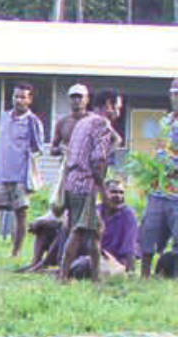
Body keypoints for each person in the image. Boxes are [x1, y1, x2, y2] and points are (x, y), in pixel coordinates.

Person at [0, 82, 45, 258]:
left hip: (21, 177)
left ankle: (16, 253)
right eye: (16, 96)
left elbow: (38, 148)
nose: (18, 100)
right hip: (3, 176)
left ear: (29, 100)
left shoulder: (32, 121)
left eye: (23, 97)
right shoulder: (5, 117)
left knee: (21, 216)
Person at [59, 88, 121, 284]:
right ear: (109, 105)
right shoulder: (102, 124)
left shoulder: (84, 121)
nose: (118, 111)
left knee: (95, 233)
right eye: (117, 107)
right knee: (78, 232)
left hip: (72, 183)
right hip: (85, 185)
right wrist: (104, 193)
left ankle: (95, 278)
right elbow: (97, 162)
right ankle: (62, 276)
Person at [138, 77, 178, 278]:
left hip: (177, 190)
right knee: (149, 230)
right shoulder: (165, 121)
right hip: (158, 188)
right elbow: (158, 150)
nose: (176, 97)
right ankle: (144, 275)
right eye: (174, 93)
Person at [80, 179, 139, 278]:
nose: (118, 196)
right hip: (93, 256)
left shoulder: (128, 215)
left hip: (114, 261)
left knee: (83, 266)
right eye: (113, 192)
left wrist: (129, 272)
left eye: (121, 193)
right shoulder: (96, 211)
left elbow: (130, 248)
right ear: (103, 194)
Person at [52, 82, 90, 154]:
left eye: (80, 97)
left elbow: (116, 140)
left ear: (87, 99)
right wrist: (59, 150)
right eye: (73, 97)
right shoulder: (62, 122)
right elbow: (53, 148)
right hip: (69, 163)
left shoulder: (95, 121)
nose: (76, 100)